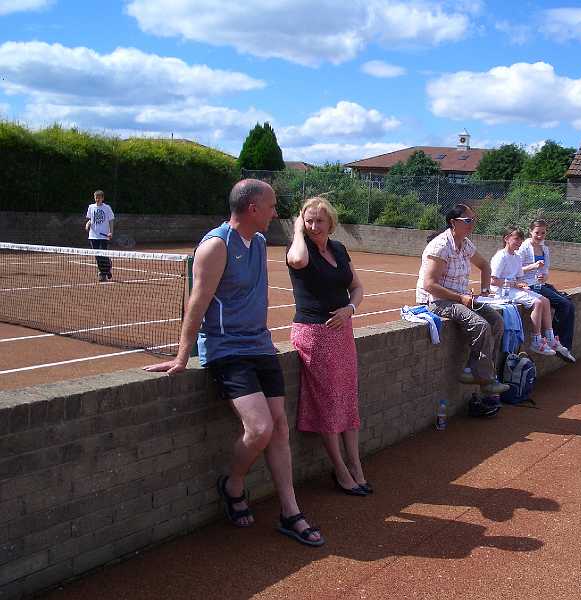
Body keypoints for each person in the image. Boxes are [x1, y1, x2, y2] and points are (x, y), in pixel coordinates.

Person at [144, 179, 324, 547]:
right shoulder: (215, 245)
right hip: (227, 349)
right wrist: (182, 355)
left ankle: (290, 511)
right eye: (272, 206)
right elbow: (197, 302)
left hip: (260, 345)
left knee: (278, 428)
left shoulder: (258, 243)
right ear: (253, 207)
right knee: (258, 429)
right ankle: (233, 483)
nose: (276, 212)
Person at [286, 197, 371, 497]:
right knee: (328, 402)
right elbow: (297, 261)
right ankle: (341, 469)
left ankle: (356, 466)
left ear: (330, 222)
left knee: (347, 397)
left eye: (318, 220)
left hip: (342, 333)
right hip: (313, 334)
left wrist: (350, 308)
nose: (313, 226)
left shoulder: (338, 249)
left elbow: (357, 287)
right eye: (308, 220)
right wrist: (297, 230)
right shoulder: (300, 249)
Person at [416, 203, 509, 395]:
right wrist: (461, 298)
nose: (472, 224)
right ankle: (486, 380)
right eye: (468, 220)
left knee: (497, 321)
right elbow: (429, 285)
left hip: (460, 298)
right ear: (453, 222)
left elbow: (484, 265)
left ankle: (472, 370)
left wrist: (485, 289)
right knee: (481, 325)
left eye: (474, 220)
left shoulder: (465, 244)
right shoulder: (441, 246)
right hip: (437, 301)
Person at [490, 226, 569, 357]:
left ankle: (550, 337)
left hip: (513, 288)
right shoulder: (501, 256)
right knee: (537, 302)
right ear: (506, 239)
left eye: (521, 240)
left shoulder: (516, 257)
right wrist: (514, 284)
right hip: (502, 291)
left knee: (545, 300)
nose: (519, 242)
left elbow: (519, 277)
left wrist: (522, 284)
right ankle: (536, 341)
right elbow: (493, 281)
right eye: (516, 239)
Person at [517, 218, 577, 363]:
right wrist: (533, 266)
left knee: (570, 304)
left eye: (543, 233)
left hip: (540, 284)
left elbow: (545, 270)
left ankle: (563, 345)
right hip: (529, 285)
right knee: (564, 304)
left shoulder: (545, 249)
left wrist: (544, 276)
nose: (540, 236)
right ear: (531, 231)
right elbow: (516, 270)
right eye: (537, 232)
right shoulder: (524, 248)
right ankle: (554, 340)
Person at [85, 190, 114, 281]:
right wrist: (87, 224)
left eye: (99, 198)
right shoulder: (91, 207)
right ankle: (103, 273)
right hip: (93, 236)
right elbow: (91, 219)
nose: (97, 199)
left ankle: (106, 270)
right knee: (97, 256)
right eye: (96, 197)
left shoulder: (107, 208)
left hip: (104, 236)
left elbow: (111, 220)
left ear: (102, 198)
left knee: (103, 254)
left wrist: (111, 232)